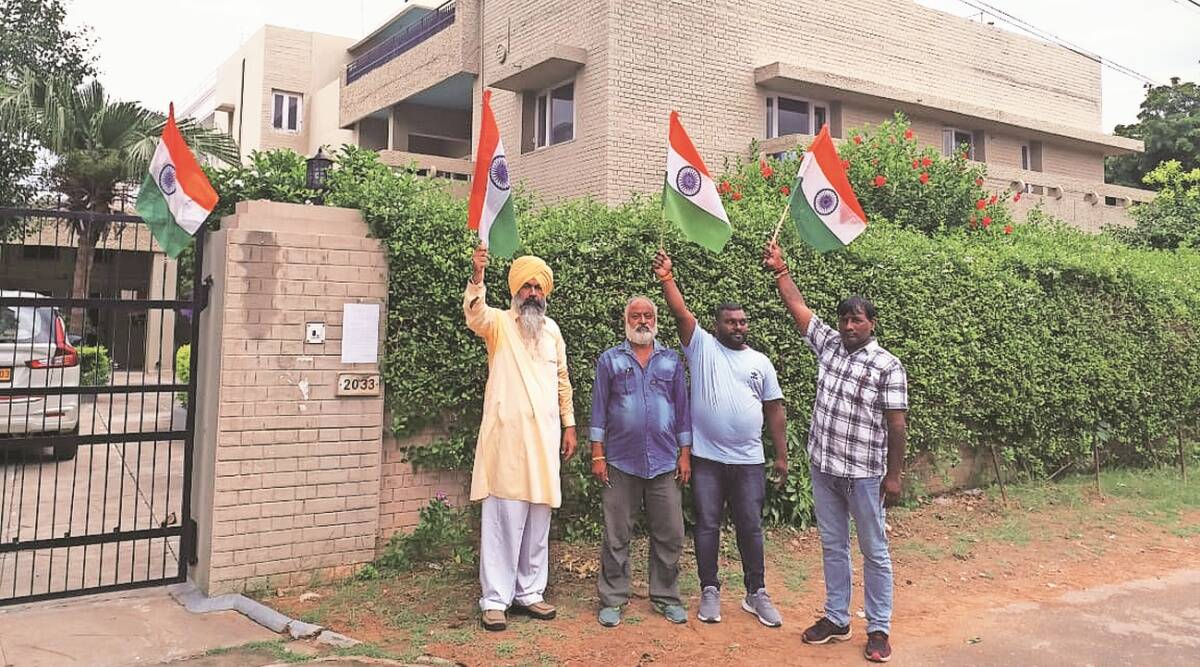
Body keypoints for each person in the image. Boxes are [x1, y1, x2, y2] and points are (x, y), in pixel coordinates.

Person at [762, 240, 909, 664]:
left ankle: (878, 628)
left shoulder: (888, 366)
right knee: (832, 545)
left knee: (874, 550)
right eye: (844, 319)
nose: (848, 326)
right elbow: (800, 309)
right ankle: (837, 618)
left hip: (865, 474)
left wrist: (893, 476)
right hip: (824, 468)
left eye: (856, 320)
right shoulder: (828, 346)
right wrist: (780, 269)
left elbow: (897, 425)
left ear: (871, 324)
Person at [652, 249, 788, 628]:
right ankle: (709, 589)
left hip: (748, 462)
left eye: (743, 322)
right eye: (730, 322)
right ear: (716, 326)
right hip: (708, 459)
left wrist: (781, 456)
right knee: (708, 524)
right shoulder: (701, 348)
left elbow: (775, 409)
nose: (739, 327)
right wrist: (667, 278)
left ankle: (755, 593)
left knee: (750, 526)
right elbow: (681, 313)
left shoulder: (760, 362)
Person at [464, 245, 578, 632]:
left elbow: (562, 380)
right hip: (507, 442)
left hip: (544, 442)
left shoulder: (553, 331)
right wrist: (478, 276)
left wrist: (569, 424)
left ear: (545, 293)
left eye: (537, 287)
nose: (532, 292)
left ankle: (530, 593)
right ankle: (495, 599)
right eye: (526, 286)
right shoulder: (497, 323)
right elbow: (474, 314)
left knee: (538, 517)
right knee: (503, 519)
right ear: (515, 290)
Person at [590, 296, 692, 627]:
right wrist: (597, 453)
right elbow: (599, 408)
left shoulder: (671, 360)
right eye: (636, 315)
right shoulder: (610, 360)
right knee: (617, 533)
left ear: (656, 319)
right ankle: (614, 598)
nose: (643, 321)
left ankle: (665, 596)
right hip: (620, 461)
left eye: (648, 315)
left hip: (664, 460)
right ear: (626, 320)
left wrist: (685, 453)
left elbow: (682, 409)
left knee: (671, 532)